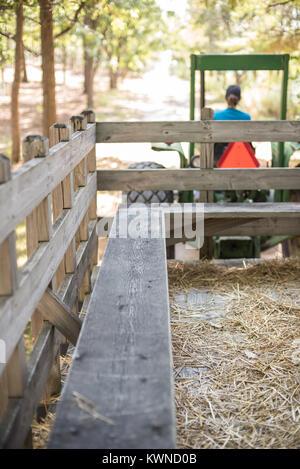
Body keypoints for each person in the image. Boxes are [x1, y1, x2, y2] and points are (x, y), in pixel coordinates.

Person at [214, 85, 251, 164]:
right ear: (239, 99)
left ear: (225, 98)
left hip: (219, 157)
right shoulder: (246, 117)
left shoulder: (215, 115)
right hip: (240, 157)